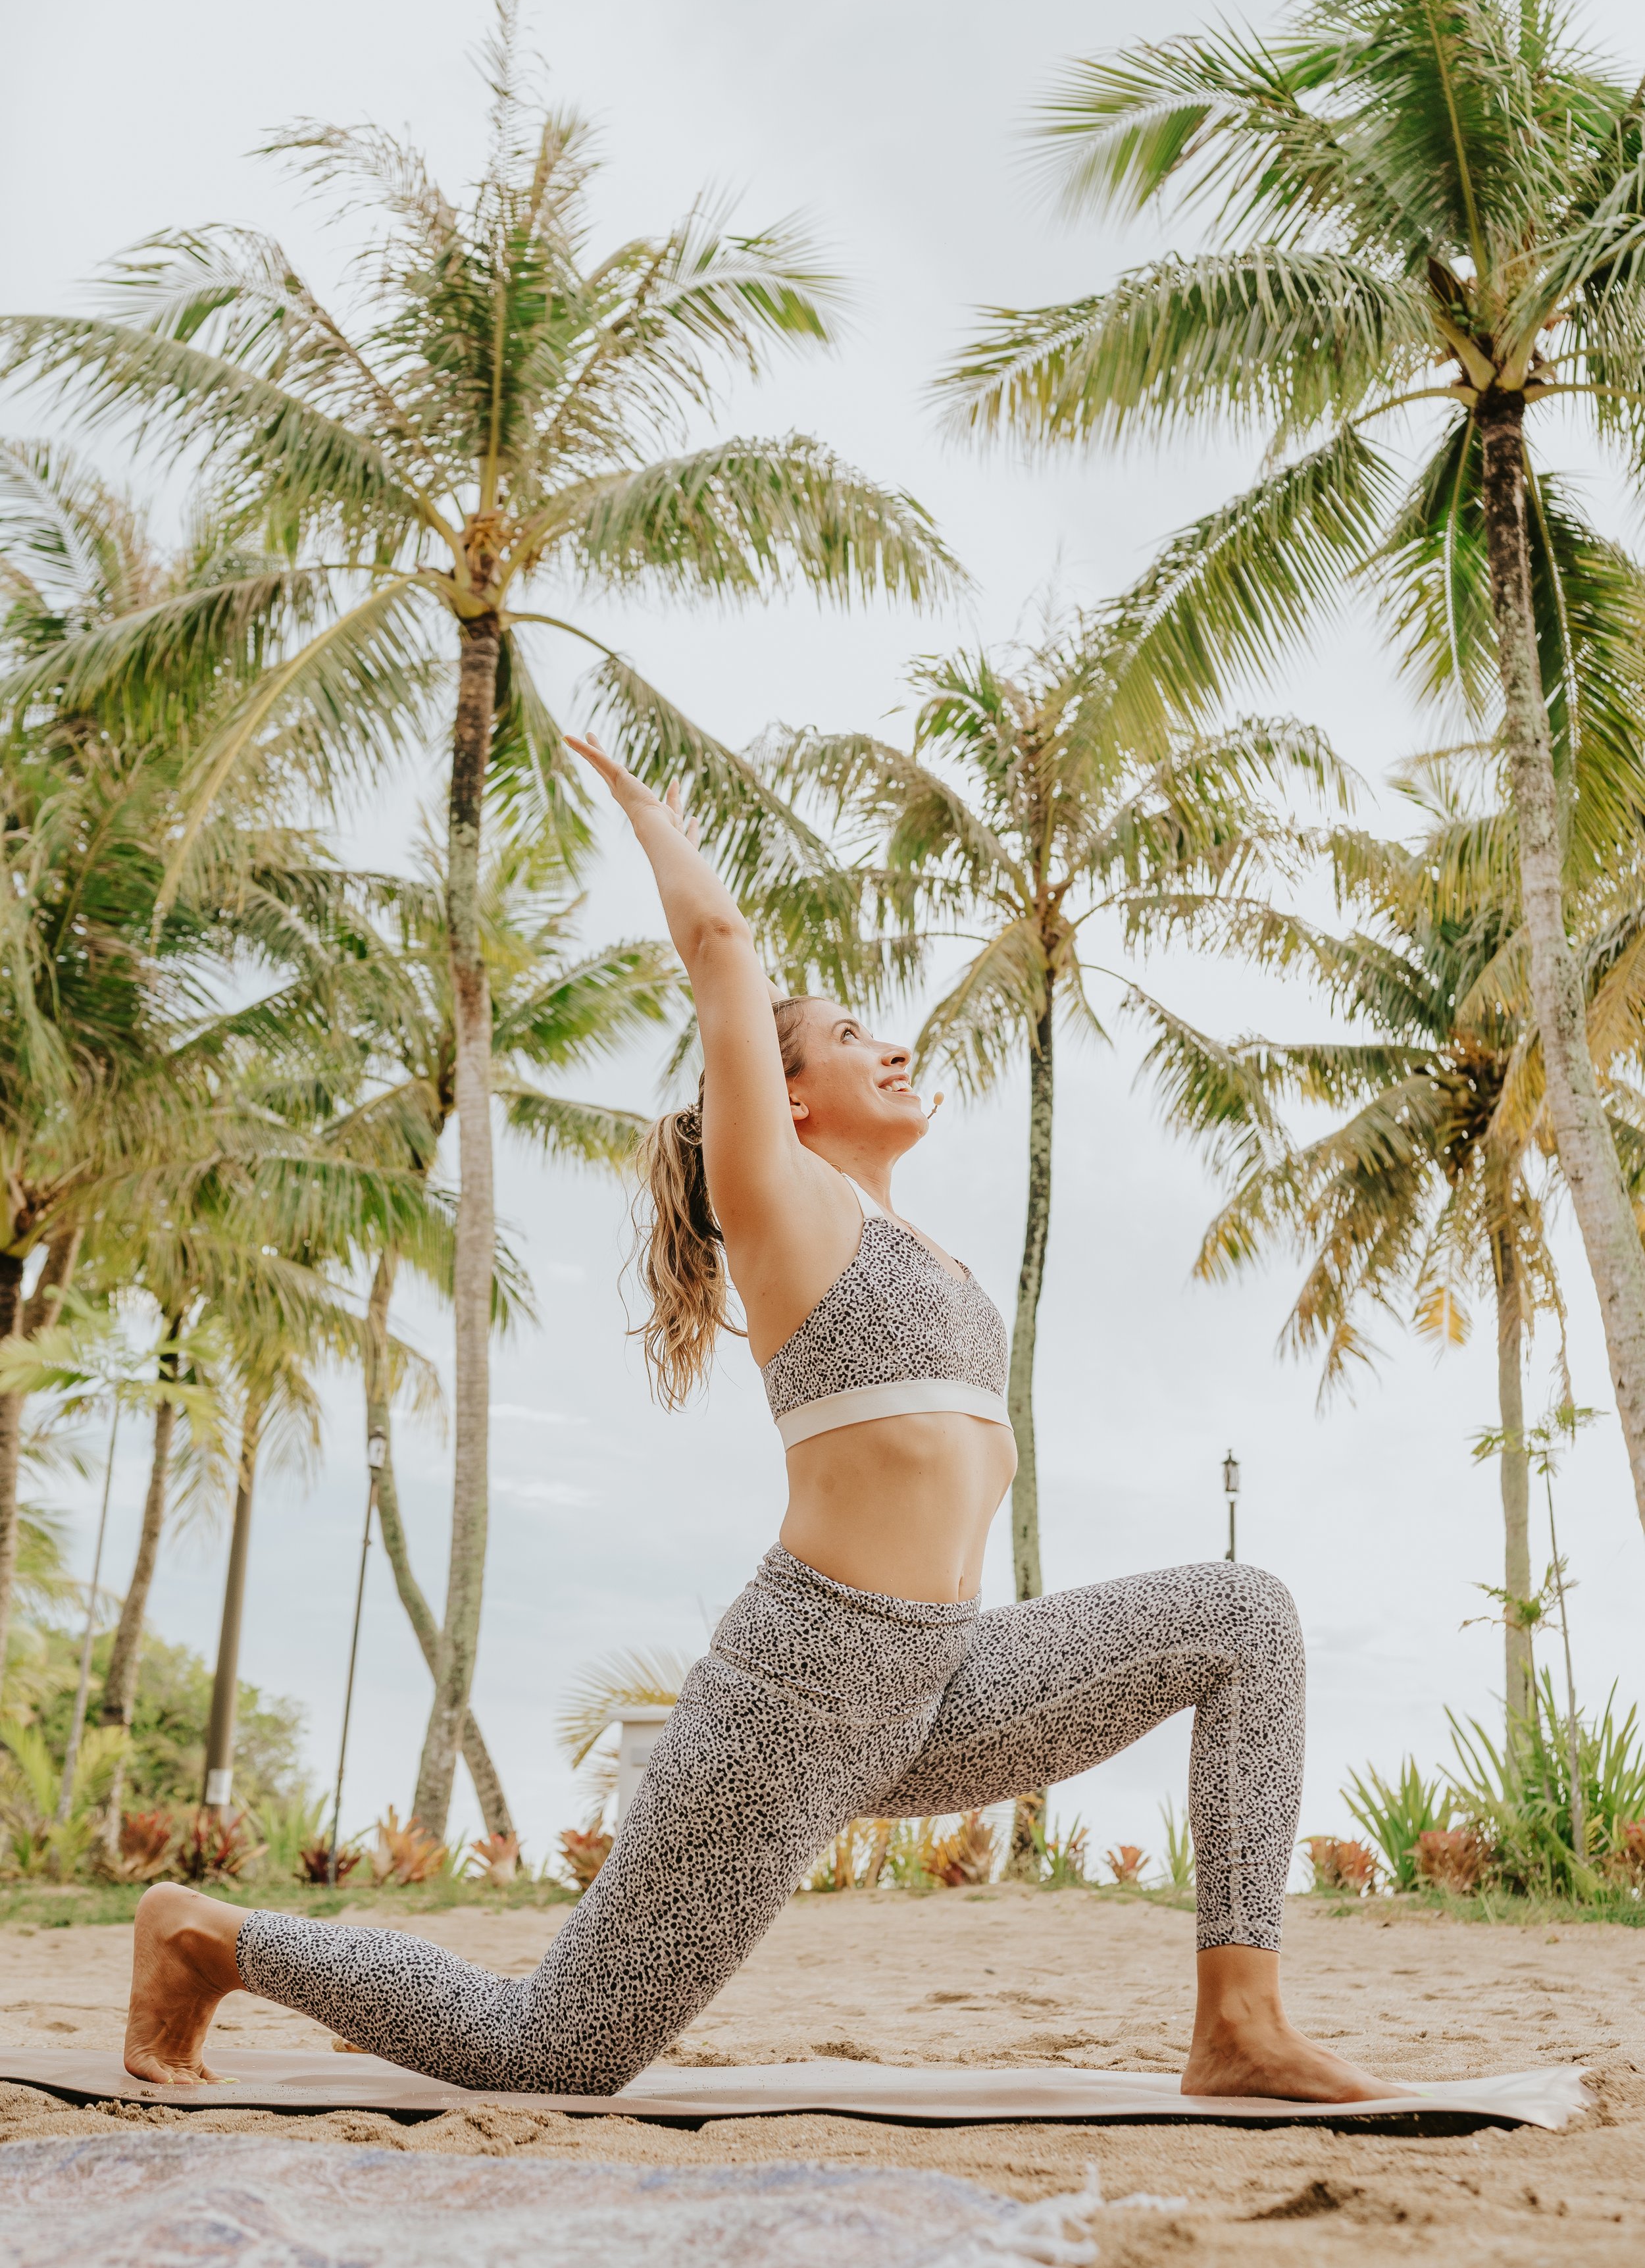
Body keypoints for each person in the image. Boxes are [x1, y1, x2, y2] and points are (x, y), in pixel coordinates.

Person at [123, 736, 1398, 2102]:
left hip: (945, 1682)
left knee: (1242, 1615)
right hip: (795, 1693)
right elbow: (722, 949)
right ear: (784, 1099)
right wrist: (655, 825)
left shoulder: (937, 1260)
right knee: (550, 2051)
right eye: (851, 1035)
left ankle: (1236, 2025)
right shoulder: (786, 1208)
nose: (892, 1043)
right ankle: (204, 1939)